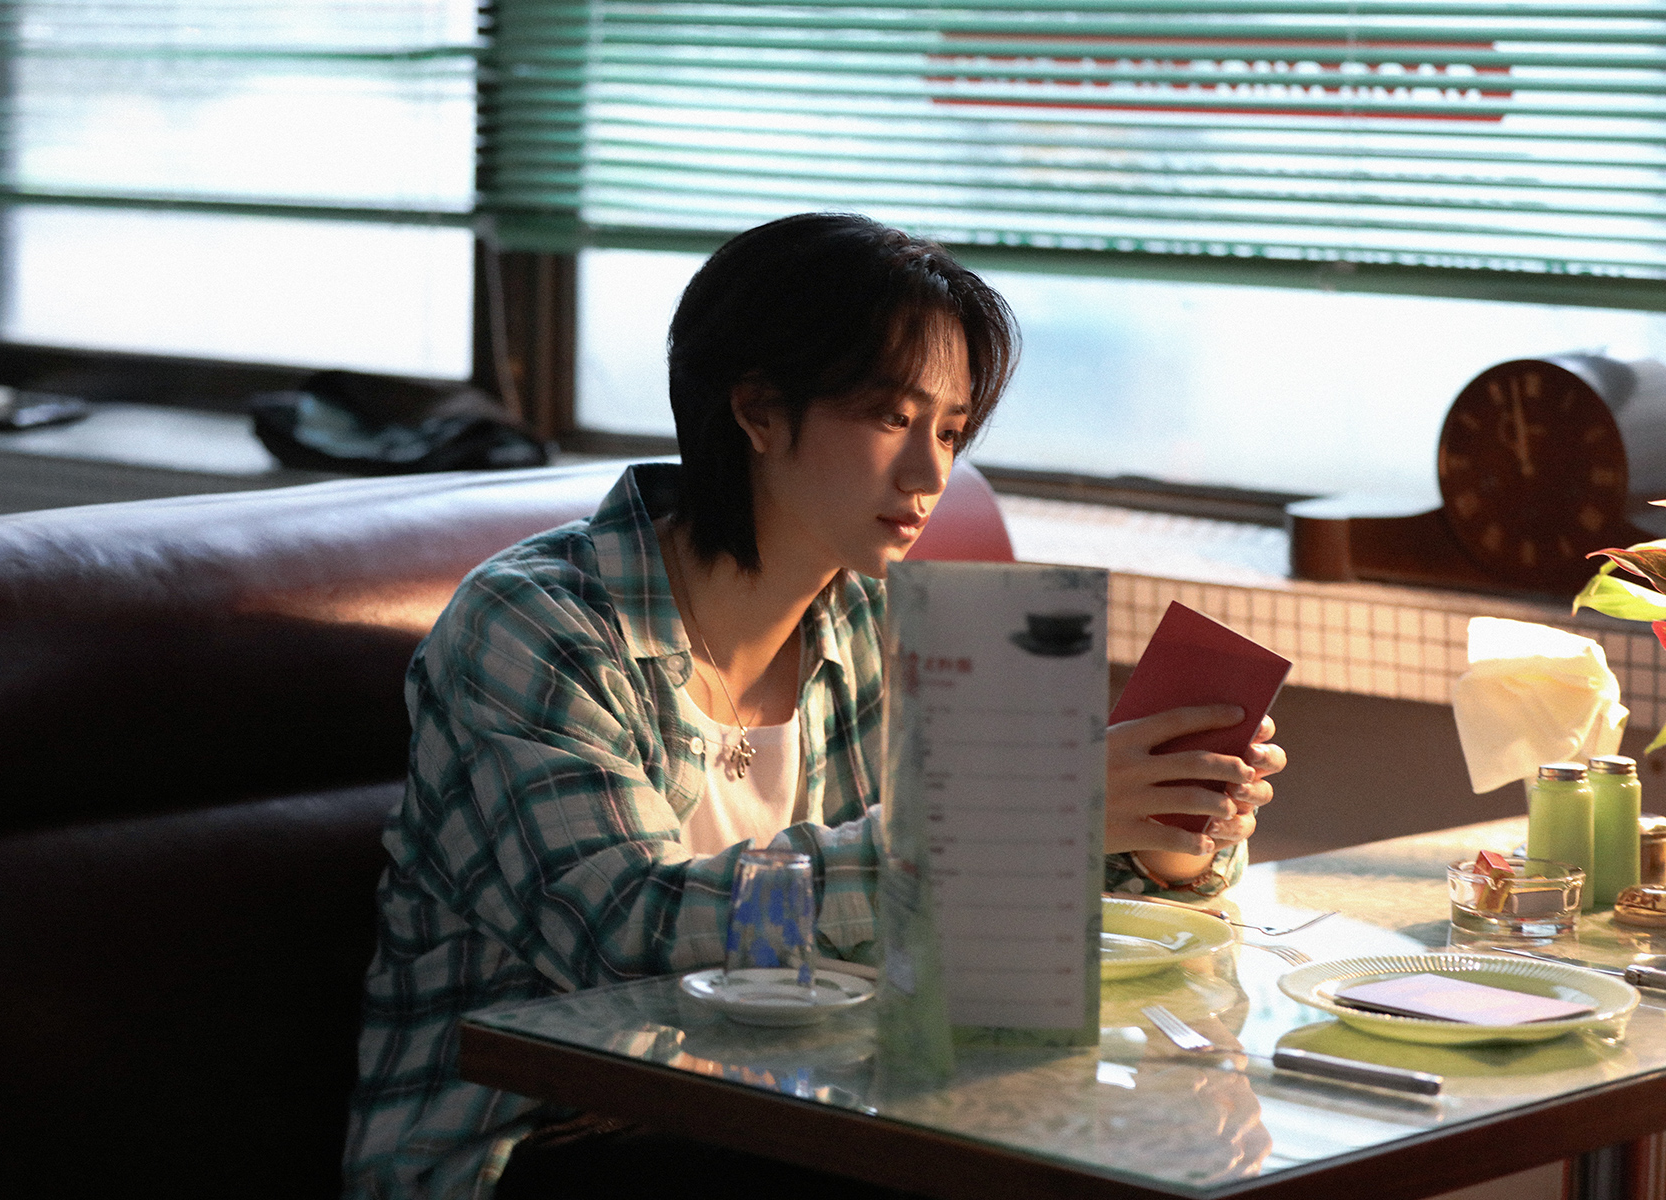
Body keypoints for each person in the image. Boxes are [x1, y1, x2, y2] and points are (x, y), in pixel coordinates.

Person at [343, 213, 1285, 1199]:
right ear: (757, 411)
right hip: (546, 1141)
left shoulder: (876, 618)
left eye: (950, 431)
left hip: (802, 1110)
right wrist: (1021, 814)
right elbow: (625, 936)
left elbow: (979, 907)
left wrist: (1165, 838)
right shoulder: (537, 624)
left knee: (1159, 1141)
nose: (930, 474)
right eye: (891, 419)